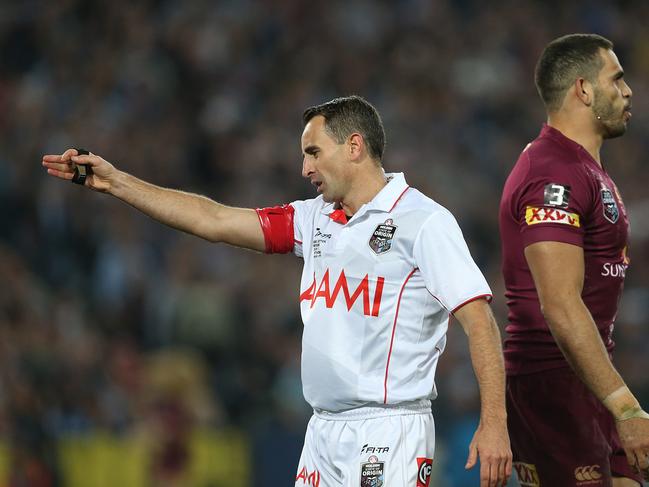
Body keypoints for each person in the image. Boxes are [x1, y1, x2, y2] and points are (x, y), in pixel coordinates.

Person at [43, 95, 511, 486]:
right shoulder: (313, 220)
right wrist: (119, 183)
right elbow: (214, 219)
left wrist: (494, 422)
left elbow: (479, 321)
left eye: (313, 152)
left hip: (388, 431)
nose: (304, 166)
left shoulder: (423, 222)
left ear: (354, 146)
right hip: (322, 430)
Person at [500, 34, 649, 486]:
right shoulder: (553, 175)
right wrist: (624, 404)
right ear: (583, 90)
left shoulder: (583, 168)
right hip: (550, 384)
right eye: (616, 78)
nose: (627, 91)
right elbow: (560, 305)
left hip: (587, 377)